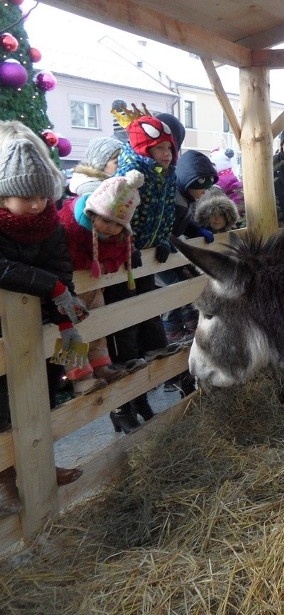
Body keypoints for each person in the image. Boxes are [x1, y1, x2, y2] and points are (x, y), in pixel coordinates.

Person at [0, 122, 87, 510]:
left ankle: (40, 464)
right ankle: (6, 480)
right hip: (2, 329)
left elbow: (61, 266)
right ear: (5, 196)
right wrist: (51, 287)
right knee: (4, 405)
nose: (37, 204)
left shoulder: (49, 225)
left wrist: (65, 313)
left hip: (42, 324)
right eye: (26, 196)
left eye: (41, 195)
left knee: (47, 390)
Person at [104, 107, 184, 433]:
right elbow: (113, 216)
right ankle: (125, 402)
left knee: (149, 308)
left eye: (169, 149)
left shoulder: (166, 178)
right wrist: (127, 241)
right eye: (160, 149)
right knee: (126, 321)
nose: (166, 155)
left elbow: (163, 214)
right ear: (144, 149)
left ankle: (146, 391)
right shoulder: (129, 177)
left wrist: (163, 239)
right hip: (123, 263)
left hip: (147, 259)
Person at [58, 170, 148, 384]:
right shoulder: (71, 227)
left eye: (118, 224)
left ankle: (101, 366)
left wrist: (106, 265)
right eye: (107, 221)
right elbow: (67, 255)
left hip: (93, 287)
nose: (111, 228)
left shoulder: (119, 237)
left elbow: (119, 254)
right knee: (69, 329)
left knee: (97, 325)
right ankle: (78, 375)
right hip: (67, 290)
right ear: (94, 212)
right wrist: (92, 265)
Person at [159, 149, 219, 344]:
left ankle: (191, 322)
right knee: (173, 288)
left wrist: (196, 231)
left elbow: (182, 223)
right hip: (160, 255)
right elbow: (165, 224)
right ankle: (172, 330)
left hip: (172, 250)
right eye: (201, 188)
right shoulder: (175, 199)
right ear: (188, 181)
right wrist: (165, 239)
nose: (203, 193)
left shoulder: (186, 198)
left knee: (188, 282)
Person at [210, 147, 244, 226]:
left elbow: (215, 193)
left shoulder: (221, 181)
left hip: (233, 208)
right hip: (238, 206)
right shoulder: (230, 175)